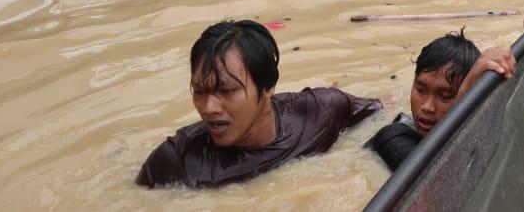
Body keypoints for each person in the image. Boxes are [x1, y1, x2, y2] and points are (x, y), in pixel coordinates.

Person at [136, 20, 380, 189]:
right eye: (199, 92)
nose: (209, 108)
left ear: (267, 87)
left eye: (226, 91)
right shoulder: (175, 162)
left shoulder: (323, 110)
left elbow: (379, 116)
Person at [367, 0, 524, 171]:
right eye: (420, 90)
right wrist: (467, 88)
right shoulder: (392, 139)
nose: (427, 107)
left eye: (446, 96)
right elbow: (441, 176)